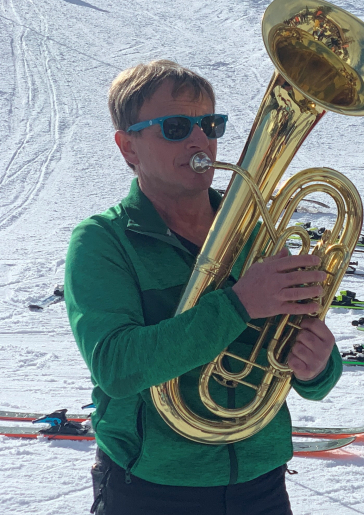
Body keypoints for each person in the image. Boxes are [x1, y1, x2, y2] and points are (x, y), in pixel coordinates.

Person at [66, 60, 342, 515]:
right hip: (152, 489)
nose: (200, 140)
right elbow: (115, 367)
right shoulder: (103, 240)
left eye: (209, 125)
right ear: (127, 146)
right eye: (175, 127)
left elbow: (298, 356)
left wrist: (318, 367)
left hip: (262, 484)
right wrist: (237, 305)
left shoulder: (257, 234)